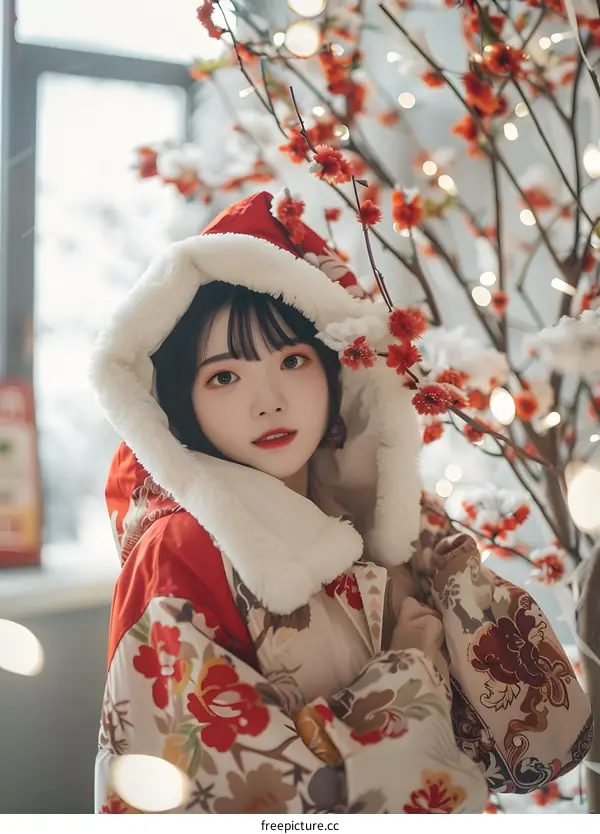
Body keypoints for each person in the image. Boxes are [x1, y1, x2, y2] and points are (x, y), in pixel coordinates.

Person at [91, 190, 592, 814]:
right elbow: (210, 800)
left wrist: (445, 570)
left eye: (292, 359)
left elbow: (542, 739)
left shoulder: (392, 525)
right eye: (224, 375)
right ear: (180, 403)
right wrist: (411, 669)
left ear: (337, 373)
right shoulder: (183, 549)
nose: (268, 400)